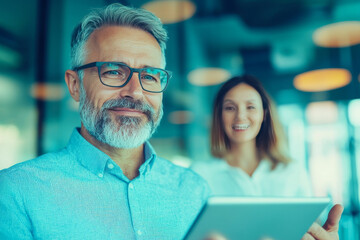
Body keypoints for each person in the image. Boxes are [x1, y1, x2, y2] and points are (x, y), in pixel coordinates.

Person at [0, 3, 343, 240]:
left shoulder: (193, 190)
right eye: (114, 71)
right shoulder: (16, 193)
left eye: (150, 76)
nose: (134, 91)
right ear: (75, 85)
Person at [191, 75, 312, 197]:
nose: (240, 116)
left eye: (250, 107)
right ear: (219, 116)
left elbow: (312, 216)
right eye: (230, 108)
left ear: (264, 114)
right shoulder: (200, 174)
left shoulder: (292, 171)